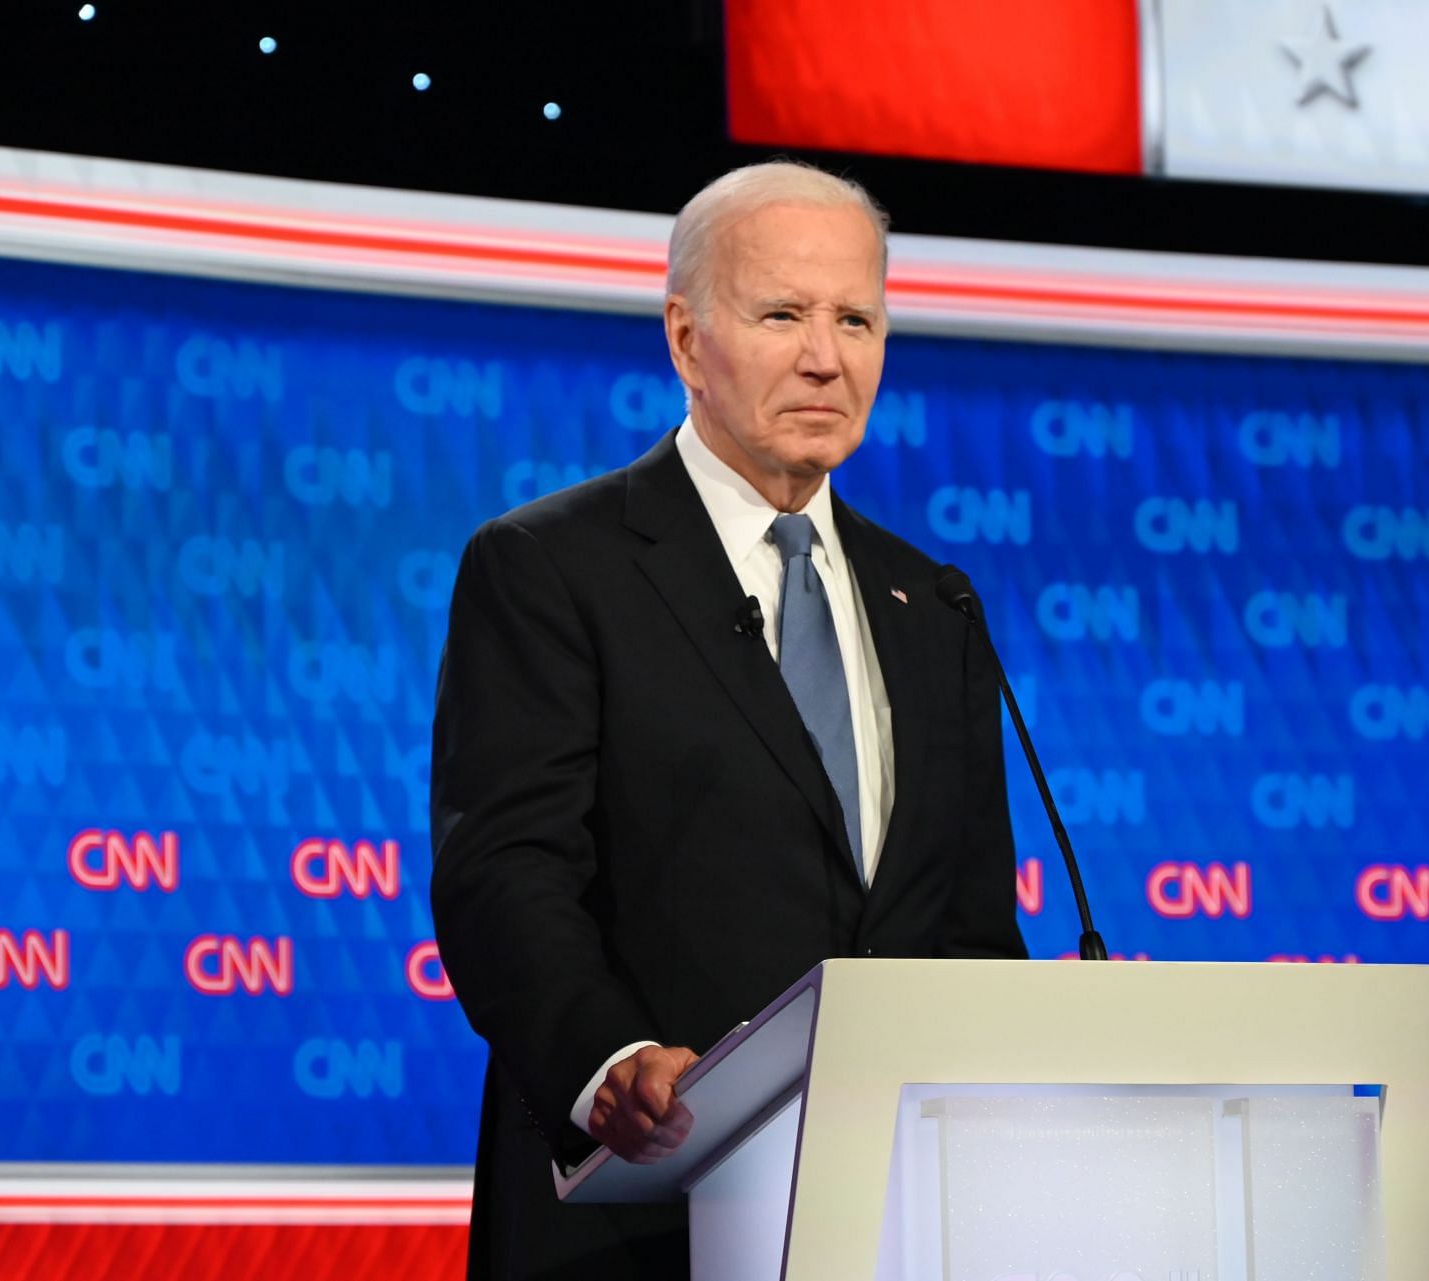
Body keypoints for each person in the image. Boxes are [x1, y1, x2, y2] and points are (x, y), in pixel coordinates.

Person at [429, 161, 1028, 1280]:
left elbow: (970, 925)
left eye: (857, 318)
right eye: (783, 314)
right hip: (634, 1220)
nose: (826, 356)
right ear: (686, 338)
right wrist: (610, 1061)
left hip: (889, 1221)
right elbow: (504, 870)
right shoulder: (553, 567)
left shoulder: (932, 601)